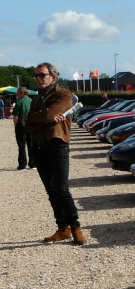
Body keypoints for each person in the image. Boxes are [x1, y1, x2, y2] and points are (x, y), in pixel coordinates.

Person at [24, 62, 86, 245]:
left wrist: (38, 118)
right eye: (36, 76)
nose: (38, 79)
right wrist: (43, 119)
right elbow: (27, 125)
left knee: (61, 189)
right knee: (51, 190)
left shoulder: (64, 94)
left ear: (53, 76)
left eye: (42, 75)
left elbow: (49, 113)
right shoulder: (36, 98)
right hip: (39, 146)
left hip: (57, 144)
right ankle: (62, 228)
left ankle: (75, 227)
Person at [12, 87, 34, 170]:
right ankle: (32, 163)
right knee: (31, 144)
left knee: (21, 145)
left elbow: (15, 116)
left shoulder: (19, 102)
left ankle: (22, 164)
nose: (16, 94)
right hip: (31, 124)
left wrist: (15, 125)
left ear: (22, 93)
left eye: (17, 92)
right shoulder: (32, 101)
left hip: (21, 124)